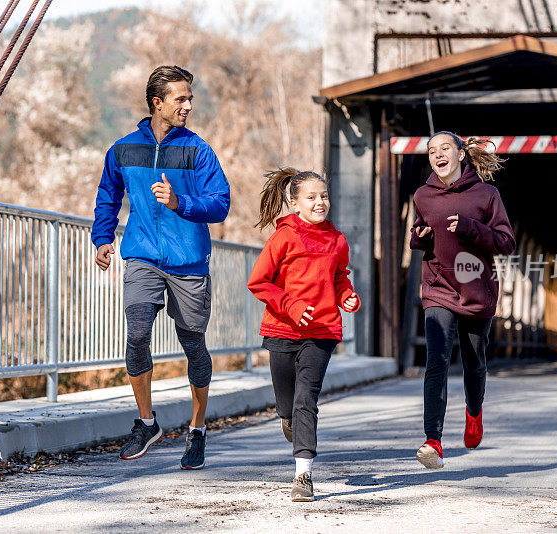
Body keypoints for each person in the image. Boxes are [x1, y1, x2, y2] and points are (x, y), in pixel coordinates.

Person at [91, 65, 230, 470]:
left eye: (189, 98)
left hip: (188, 263)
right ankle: (147, 421)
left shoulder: (198, 150)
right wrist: (103, 239)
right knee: (136, 335)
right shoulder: (123, 149)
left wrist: (179, 203)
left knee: (192, 344)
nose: (188, 105)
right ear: (158, 103)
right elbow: (108, 195)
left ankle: (198, 428)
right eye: (180, 99)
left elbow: (220, 203)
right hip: (142, 257)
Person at [247, 168, 360, 502]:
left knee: (305, 399)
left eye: (323, 195)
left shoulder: (337, 240)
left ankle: (303, 475)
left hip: (321, 330)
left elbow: (340, 276)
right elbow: (258, 282)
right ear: (295, 204)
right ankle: (289, 420)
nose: (320, 202)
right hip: (282, 329)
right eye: (311, 197)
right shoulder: (284, 236)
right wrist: (290, 305)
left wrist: (346, 294)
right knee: (287, 406)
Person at [409, 131, 515, 469]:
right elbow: (418, 232)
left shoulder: (486, 194)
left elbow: (506, 242)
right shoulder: (423, 195)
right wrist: (418, 236)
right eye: (431, 151)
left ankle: (474, 411)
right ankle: (433, 440)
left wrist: (471, 227)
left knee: (474, 362)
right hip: (437, 287)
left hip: (475, 290)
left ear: (460, 155)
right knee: (436, 360)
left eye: (444, 149)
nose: (437, 155)